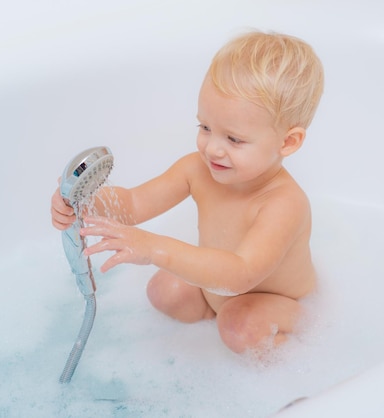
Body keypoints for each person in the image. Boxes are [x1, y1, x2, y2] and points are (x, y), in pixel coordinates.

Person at [51, 31, 324, 355]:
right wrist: (82, 200)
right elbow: (135, 203)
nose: (213, 148)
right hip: (220, 288)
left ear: (287, 142)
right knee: (165, 291)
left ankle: (298, 347)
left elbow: (240, 273)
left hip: (278, 303)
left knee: (240, 326)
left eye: (234, 139)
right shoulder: (198, 169)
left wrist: (153, 248)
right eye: (205, 128)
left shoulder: (284, 203)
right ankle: (216, 317)